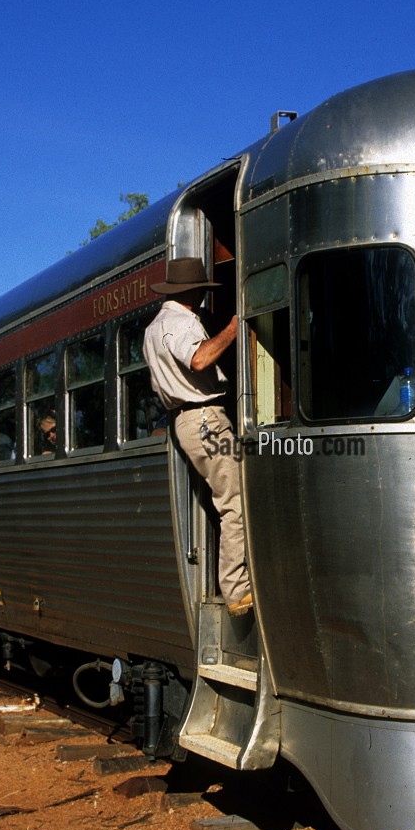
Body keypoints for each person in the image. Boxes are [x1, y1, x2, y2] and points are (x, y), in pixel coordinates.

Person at [144, 258, 254, 616]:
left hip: (188, 421)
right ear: (191, 291)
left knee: (227, 498)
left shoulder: (153, 328)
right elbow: (200, 360)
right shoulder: (179, 321)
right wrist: (232, 331)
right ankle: (238, 591)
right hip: (205, 420)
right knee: (236, 500)